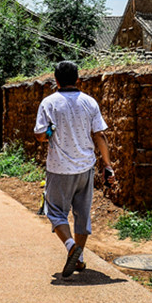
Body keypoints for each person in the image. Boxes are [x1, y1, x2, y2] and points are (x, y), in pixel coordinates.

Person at [34, 60, 115, 278]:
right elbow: (100, 135)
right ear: (78, 79)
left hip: (59, 169)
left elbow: (40, 135)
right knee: (82, 213)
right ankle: (79, 259)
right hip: (85, 167)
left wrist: (50, 132)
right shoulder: (90, 103)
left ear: (56, 80)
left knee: (55, 211)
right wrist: (107, 165)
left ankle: (71, 246)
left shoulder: (49, 103)